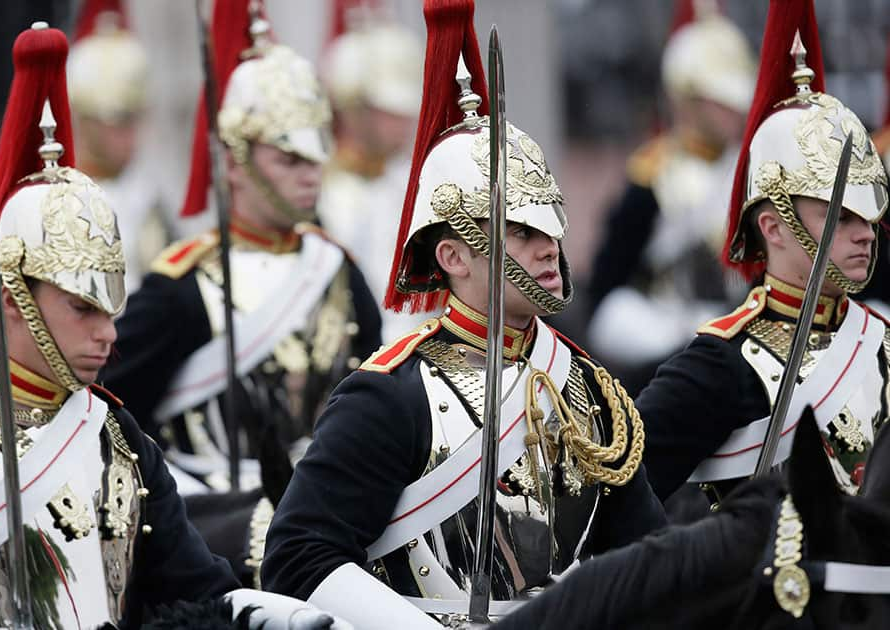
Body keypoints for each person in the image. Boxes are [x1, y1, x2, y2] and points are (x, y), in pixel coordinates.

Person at [0, 23, 344, 630]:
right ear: (9, 299)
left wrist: (278, 617)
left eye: (110, 309)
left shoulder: (118, 438)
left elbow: (198, 585)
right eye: (83, 308)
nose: (107, 334)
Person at [262, 1, 666, 626]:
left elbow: (647, 558)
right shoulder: (389, 397)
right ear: (452, 255)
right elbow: (296, 557)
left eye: (549, 227)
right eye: (520, 230)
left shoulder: (586, 385)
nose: (547, 247)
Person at [100, 0, 381, 581]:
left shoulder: (338, 271)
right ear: (233, 161)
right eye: (288, 158)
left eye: (315, 155)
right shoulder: (183, 290)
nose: (311, 172)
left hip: (331, 509)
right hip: (218, 524)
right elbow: (110, 416)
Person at [637, 0, 890, 508]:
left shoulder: (881, 342)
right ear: (772, 226)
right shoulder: (719, 366)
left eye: (867, 216)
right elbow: (621, 503)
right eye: (839, 217)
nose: (864, 234)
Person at [585, 0, 756, 396]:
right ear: (689, 99)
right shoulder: (652, 175)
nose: (735, 109)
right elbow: (608, 285)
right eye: (721, 99)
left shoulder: (755, 170)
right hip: (667, 326)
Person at [317, 0, 427, 342]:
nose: (405, 122)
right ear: (354, 110)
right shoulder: (324, 196)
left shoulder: (418, 181)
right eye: (388, 111)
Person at [66, 0, 171, 293]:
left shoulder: (149, 199)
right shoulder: (59, 202)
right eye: (118, 122)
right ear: (85, 122)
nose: (131, 136)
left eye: (134, 120)